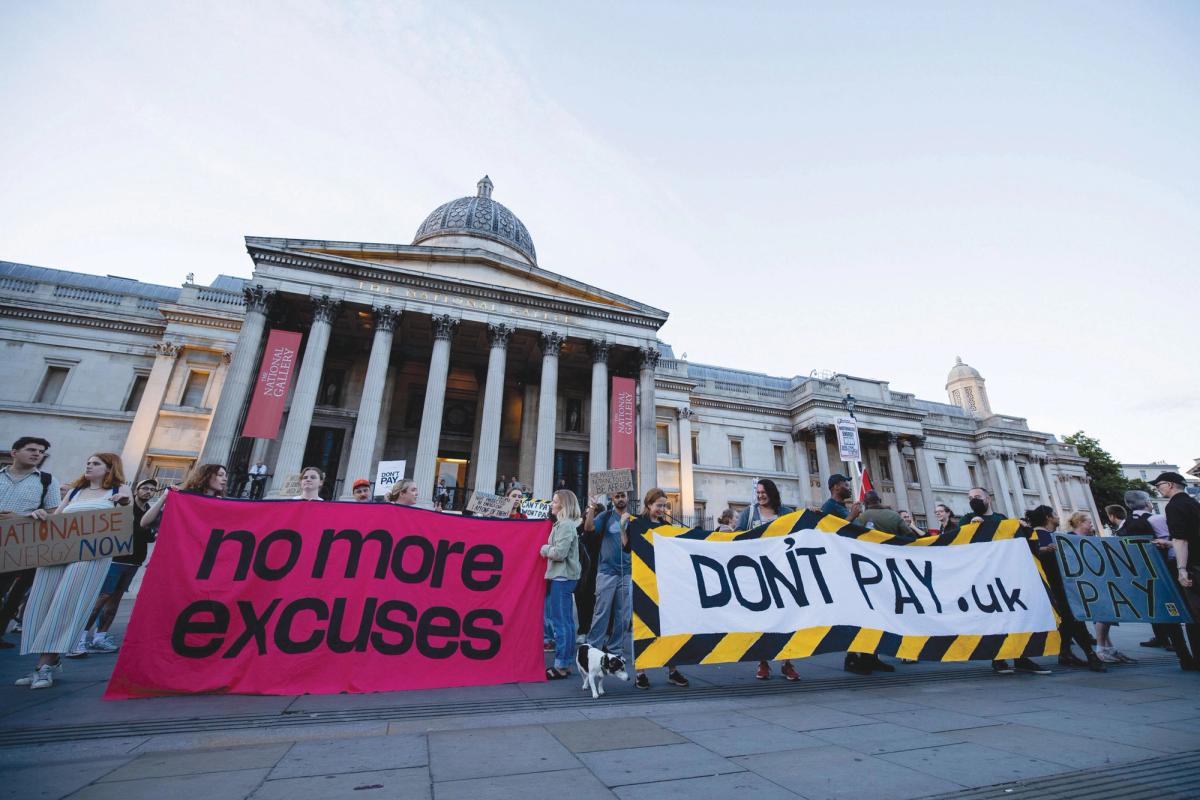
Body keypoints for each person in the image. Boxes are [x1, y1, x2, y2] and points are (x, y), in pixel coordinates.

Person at [15, 453, 131, 690]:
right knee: (43, 602)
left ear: (109, 468)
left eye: (96, 463)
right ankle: (46, 662)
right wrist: (38, 515)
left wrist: (121, 501)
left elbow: (127, 507)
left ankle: (45, 665)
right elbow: (55, 521)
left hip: (91, 554)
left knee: (65, 603)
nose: (89, 466)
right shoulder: (75, 492)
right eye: (87, 462)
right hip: (59, 552)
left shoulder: (119, 490)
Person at [68, 478, 160, 656]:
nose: (148, 491)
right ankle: (79, 638)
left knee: (114, 601)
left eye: (151, 490)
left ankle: (100, 637)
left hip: (134, 560)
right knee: (101, 598)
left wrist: (152, 533)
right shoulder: (126, 506)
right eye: (145, 488)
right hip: (115, 558)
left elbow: (148, 537)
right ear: (136, 490)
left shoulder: (150, 511)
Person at [736, 480, 800, 682]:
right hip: (757, 574)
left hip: (783, 573)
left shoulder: (787, 512)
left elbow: (801, 533)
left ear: (772, 493)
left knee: (786, 620)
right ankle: (763, 662)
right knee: (762, 620)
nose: (760, 495)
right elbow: (738, 536)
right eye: (758, 492)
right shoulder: (749, 513)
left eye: (763, 492)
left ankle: (787, 662)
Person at [0, 437, 61, 649]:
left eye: (41, 451)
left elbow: (54, 514)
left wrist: (29, 516)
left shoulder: (47, 481)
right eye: (31, 449)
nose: (37, 454)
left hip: (18, 546)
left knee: (9, 592)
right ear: (14, 452)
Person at [1028, 505, 1106, 672]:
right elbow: (1031, 554)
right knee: (1073, 619)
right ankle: (1090, 654)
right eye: (1055, 514)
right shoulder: (1036, 535)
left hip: (1061, 585)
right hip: (1052, 586)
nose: (1058, 517)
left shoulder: (1053, 536)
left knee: (1068, 621)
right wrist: (1044, 550)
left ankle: (1065, 653)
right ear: (1048, 517)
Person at [1122, 490, 1193, 664]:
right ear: (1148, 503)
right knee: (1185, 608)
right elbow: (1176, 543)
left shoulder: (1125, 523)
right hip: (1168, 568)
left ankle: (1181, 653)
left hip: (1146, 572)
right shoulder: (1157, 519)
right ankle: (1189, 652)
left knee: (1168, 610)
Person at [633, 488, 689, 689]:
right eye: (658, 505)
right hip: (643, 583)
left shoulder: (667, 526)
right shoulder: (637, 524)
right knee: (643, 627)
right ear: (649, 505)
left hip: (665, 583)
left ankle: (672, 670)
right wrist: (623, 529)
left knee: (670, 627)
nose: (662, 509)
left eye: (664, 505)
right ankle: (641, 672)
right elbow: (625, 547)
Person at [1152, 471, 1200, 669]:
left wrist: (1181, 569)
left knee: (1195, 616)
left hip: (1193, 566)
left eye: (1159, 485)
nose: (1157, 488)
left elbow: (1182, 538)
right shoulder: (1194, 504)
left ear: (1170, 485)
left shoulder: (1173, 506)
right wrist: (1169, 544)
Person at [583, 490, 632, 671]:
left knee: (623, 615)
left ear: (627, 498)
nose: (620, 499)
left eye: (623, 496)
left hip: (626, 573)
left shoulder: (631, 519)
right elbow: (588, 529)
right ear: (612, 499)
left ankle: (615, 650)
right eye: (617, 496)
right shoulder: (605, 516)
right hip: (606, 572)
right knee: (602, 612)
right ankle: (592, 648)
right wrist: (591, 508)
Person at [541, 490, 583, 679]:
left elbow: (559, 553)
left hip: (562, 578)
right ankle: (564, 663)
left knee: (561, 623)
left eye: (555, 501)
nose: (552, 503)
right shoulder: (565, 524)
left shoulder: (565, 526)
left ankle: (560, 665)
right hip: (564, 577)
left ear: (563, 506)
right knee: (566, 622)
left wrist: (543, 549)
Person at [140, 463, 227, 528]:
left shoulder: (222, 504)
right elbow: (145, 523)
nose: (225, 479)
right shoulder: (183, 499)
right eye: (220, 475)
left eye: (226, 476)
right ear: (206, 476)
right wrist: (164, 498)